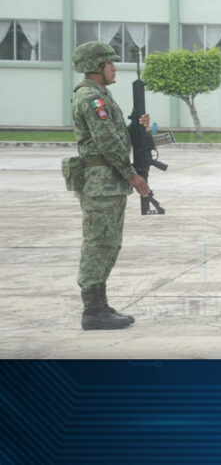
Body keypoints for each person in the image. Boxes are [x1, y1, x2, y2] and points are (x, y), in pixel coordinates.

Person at [70, 41, 152, 330]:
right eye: (110, 63)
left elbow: (114, 137)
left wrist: (135, 128)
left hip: (109, 182)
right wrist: (132, 174)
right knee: (98, 243)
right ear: (96, 67)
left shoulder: (101, 95)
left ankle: (100, 305)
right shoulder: (93, 99)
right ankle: (93, 310)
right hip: (102, 183)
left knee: (109, 243)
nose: (114, 68)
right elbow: (105, 142)